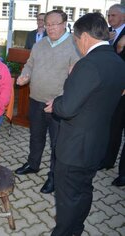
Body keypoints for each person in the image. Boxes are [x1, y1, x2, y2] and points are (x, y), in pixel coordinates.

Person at [43, 13, 125, 235]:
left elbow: (67, 108)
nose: (77, 44)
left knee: (68, 196)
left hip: (75, 147)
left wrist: (57, 102)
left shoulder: (87, 65)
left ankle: (65, 231)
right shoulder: (118, 62)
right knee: (84, 189)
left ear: (86, 37)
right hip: (97, 142)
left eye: (76, 39)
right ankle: (77, 227)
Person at [14, 10, 80, 194]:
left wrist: (61, 100)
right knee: (36, 136)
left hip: (58, 104)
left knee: (57, 143)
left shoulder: (74, 46)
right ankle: (33, 164)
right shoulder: (40, 44)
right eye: (47, 24)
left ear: (65, 23)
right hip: (36, 100)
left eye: (54, 24)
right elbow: (30, 64)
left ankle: (54, 176)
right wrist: (25, 75)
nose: (49, 27)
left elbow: (78, 79)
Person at [99, 4, 125, 187]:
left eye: (113, 15)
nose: (110, 18)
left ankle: (123, 174)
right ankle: (107, 161)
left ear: (123, 17)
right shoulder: (107, 33)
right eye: (108, 15)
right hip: (111, 90)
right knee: (112, 127)